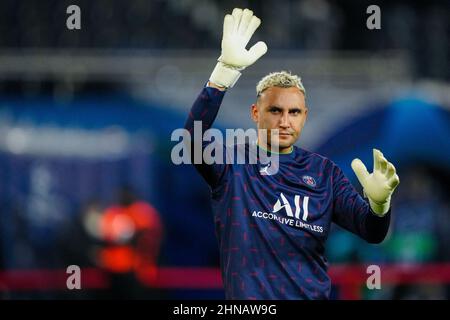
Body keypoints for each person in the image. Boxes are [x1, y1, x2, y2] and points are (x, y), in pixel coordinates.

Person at [184, 8, 400, 299]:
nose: (285, 121)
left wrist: (379, 205)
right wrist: (223, 74)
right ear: (255, 113)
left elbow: (372, 232)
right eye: (275, 111)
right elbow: (191, 139)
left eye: (294, 112)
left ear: (304, 116)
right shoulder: (232, 164)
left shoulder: (325, 173)